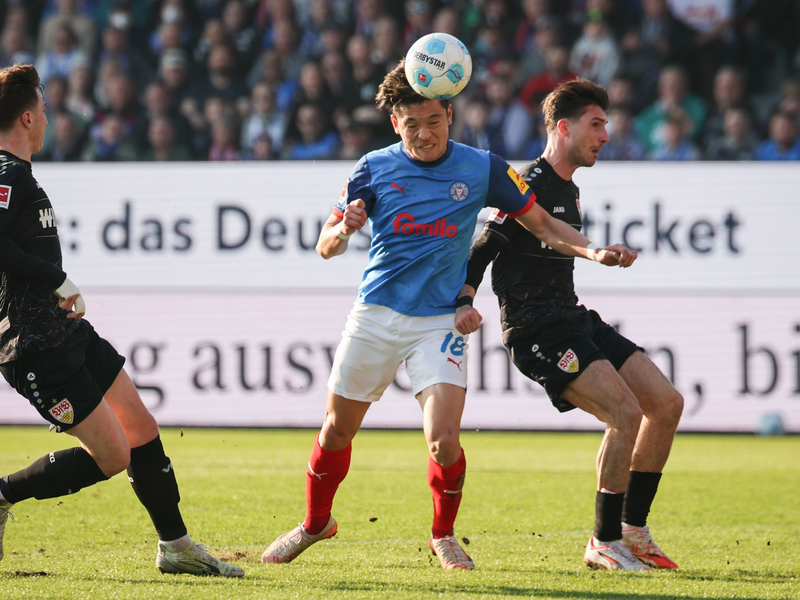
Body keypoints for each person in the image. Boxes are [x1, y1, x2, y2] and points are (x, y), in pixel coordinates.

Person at [261, 62, 629, 571]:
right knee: (335, 433)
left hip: (438, 322)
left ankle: (444, 535)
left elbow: (543, 224)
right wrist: (343, 229)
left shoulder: (483, 167)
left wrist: (593, 253)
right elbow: (325, 247)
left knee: (444, 440)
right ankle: (315, 523)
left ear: (449, 114)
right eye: (412, 124)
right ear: (396, 124)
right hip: (375, 315)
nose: (424, 133)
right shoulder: (373, 167)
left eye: (434, 120)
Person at [0, 64, 243, 578]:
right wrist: (55, 278)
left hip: (63, 330)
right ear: (26, 115)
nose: (47, 117)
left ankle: (176, 547)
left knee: (141, 426)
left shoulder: (19, 174)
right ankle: (3, 494)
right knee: (113, 456)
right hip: (32, 344)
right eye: (43, 109)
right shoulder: (4, 174)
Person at [459, 78, 683, 571]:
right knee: (624, 413)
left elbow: (561, 242)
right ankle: (604, 542)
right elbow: (481, 250)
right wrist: (465, 300)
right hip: (536, 328)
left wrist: (603, 251)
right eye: (597, 124)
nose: (606, 134)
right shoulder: (525, 183)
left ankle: (633, 531)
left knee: (665, 405)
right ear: (563, 127)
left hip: (571, 316)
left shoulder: (570, 190)